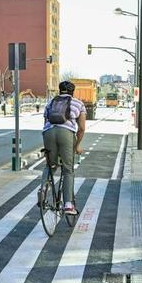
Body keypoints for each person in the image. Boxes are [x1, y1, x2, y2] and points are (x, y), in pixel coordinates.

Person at [41, 80, 86, 215]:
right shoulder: (78, 103)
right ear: (73, 92)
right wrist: (77, 145)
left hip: (48, 133)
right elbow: (82, 128)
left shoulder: (50, 103)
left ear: (59, 91)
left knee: (50, 165)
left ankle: (43, 190)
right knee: (68, 169)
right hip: (66, 134)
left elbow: (45, 123)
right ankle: (68, 205)